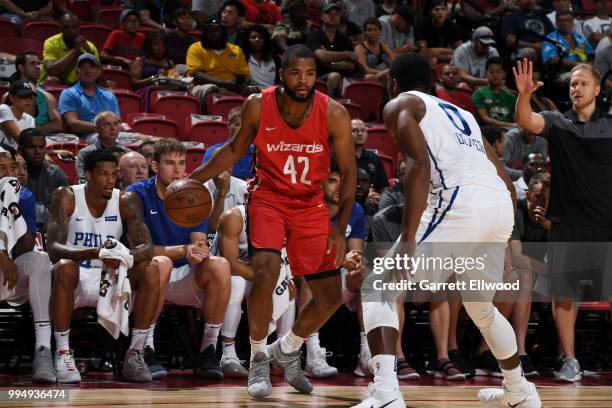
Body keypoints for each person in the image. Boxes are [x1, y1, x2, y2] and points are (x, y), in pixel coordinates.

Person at [355, 52, 541, 408]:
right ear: (433, 83)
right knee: (481, 306)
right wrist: (505, 236)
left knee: (378, 287)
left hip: (460, 201)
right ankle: (519, 390)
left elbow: (418, 164)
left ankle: (385, 394)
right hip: (499, 205)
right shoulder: (464, 114)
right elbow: (500, 172)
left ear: (393, 83)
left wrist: (408, 240)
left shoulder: (401, 103)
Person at [190, 45, 356, 398]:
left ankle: (290, 347)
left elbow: (350, 171)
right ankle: (258, 359)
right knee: (264, 272)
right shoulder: (258, 105)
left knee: (329, 295)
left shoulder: (334, 114)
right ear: (282, 73)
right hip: (267, 198)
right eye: (296, 73)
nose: (303, 80)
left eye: (310, 74)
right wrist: (196, 177)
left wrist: (339, 229)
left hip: (310, 204)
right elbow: (234, 150)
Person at [514, 59, 612, 383]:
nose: (576, 88)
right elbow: (525, 120)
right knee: (565, 295)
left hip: (605, 223)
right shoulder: (558, 122)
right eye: (572, 83)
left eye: (583, 83)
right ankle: (569, 359)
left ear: (597, 89)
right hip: (567, 224)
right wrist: (524, 95)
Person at [47, 149, 168, 383]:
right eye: (103, 174)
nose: (110, 180)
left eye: (114, 174)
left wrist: (124, 257)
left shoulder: (125, 200)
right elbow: (53, 248)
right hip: (78, 276)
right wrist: (96, 253)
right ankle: (62, 352)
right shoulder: (67, 196)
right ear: (88, 175)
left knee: (151, 268)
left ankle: (135, 352)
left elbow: (146, 246)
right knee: (63, 266)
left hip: (113, 276)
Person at [126, 139, 231, 379]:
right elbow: (142, 250)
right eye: (170, 163)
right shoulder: (136, 194)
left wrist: (199, 251)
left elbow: (198, 241)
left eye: (182, 163)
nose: (177, 170)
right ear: (154, 166)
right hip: (145, 277)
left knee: (219, 265)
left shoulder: (193, 194)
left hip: (182, 276)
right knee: (161, 264)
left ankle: (208, 349)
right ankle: (145, 348)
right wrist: (185, 249)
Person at [297, 162, 367, 379]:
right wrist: (337, 261)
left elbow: (356, 254)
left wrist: (357, 263)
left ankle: (366, 355)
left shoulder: (354, 209)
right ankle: (312, 354)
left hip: (337, 274)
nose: (338, 187)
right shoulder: (307, 208)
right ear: (320, 184)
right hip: (302, 275)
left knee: (369, 277)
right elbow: (303, 259)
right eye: (332, 181)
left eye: (343, 182)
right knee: (313, 277)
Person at [211, 204, 295, 378]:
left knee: (288, 290)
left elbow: (283, 252)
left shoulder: (278, 217)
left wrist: (287, 277)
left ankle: (283, 354)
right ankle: (228, 354)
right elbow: (230, 263)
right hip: (222, 277)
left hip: (256, 273)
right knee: (236, 283)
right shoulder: (234, 218)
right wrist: (267, 278)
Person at [0, 145, 54, 383]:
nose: (9, 174)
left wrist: (14, 210)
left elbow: (25, 246)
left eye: (12, 167)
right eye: (1, 169)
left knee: (40, 260)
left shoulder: (23, 196)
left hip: (9, 274)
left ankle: (43, 350)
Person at [509, 171, 551, 378]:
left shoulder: (553, 215)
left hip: (543, 274)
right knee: (524, 276)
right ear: (527, 196)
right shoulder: (515, 210)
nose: (542, 203)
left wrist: (547, 225)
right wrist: (542, 268)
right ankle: (521, 351)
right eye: (538, 198)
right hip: (514, 271)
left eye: (547, 199)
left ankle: (563, 356)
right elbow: (516, 257)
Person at [187, 18, 256, 103]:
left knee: (254, 91)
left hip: (231, 85)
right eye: (209, 31)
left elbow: (243, 74)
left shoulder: (235, 50)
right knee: (211, 88)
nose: (213, 34)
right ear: (205, 34)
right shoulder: (196, 48)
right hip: (204, 85)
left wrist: (243, 83)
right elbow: (197, 75)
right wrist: (222, 83)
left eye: (216, 30)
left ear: (223, 33)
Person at [58, 53, 121, 142]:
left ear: (98, 72)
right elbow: (73, 124)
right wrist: (102, 128)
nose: (87, 70)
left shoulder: (109, 95)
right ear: (77, 72)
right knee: (108, 140)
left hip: (112, 134)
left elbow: (117, 122)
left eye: (91, 66)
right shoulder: (68, 93)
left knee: (144, 139)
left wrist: (108, 128)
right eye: (83, 67)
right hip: (88, 137)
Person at [306, 3, 361, 98]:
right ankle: (329, 107)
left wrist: (329, 62)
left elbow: (351, 65)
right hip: (319, 78)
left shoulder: (344, 39)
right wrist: (346, 54)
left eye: (336, 14)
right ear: (322, 17)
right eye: (329, 13)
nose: (333, 16)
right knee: (334, 76)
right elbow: (322, 56)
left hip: (344, 79)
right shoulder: (315, 36)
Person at [19, 128, 69, 227]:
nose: (37, 151)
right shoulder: (12, 175)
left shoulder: (56, 173)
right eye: (32, 147)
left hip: (51, 231)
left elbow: (67, 209)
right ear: (20, 151)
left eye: (41, 147)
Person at [39, 13, 100, 86]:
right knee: (53, 80)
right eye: (66, 27)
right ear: (60, 28)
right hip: (53, 85)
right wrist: (74, 50)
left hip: (78, 87)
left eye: (74, 27)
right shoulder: (51, 42)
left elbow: (100, 77)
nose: (71, 30)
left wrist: (90, 53)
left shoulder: (90, 46)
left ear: (79, 28)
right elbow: (52, 71)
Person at [11, 52, 63, 135]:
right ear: (21, 68)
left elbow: (58, 125)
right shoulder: (10, 96)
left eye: (38, 64)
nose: (38, 67)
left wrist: (34, 130)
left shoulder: (47, 96)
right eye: (32, 64)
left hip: (44, 138)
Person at [542, 10, 594, 83]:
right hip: (561, 74)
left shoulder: (580, 37)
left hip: (584, 71)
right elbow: (553, 60)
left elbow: (591, 55)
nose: (565, 23)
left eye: (568, 20)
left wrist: (588, 67)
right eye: (561, 21)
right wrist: (577, 65)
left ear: (573, 22)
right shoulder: (550, 38)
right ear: (556, 23)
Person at [76, 111, 131, 180]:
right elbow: (83, 179)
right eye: (107, 124)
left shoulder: (127, 153)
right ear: (96, 129)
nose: (113, 128)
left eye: (116, 124)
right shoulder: (85, 153)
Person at [472, 57, 518, 128]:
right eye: (491, 72)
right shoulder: (479, 94)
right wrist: (508, 125)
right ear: (486, 73)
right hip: (490, 130)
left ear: (504, 74)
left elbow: (515, 119)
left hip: (510, 130)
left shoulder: (511, 97)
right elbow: (484, 119)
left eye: (498, 72)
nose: (495, 75)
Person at [351, 118, 389, 193]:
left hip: (372, 203)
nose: (360, 133)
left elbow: (384, 187)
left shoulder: (374, 158)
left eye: (363, 130)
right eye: (355, 130)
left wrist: (380, 197)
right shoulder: (339, 158)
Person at [355, 17, 396, 84]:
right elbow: (366, 69)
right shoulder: (360, 47)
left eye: (375, 30)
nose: (372, 33)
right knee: (369, 77)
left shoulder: (384, 47)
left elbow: (395, 63)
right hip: (371, 77)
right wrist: (384, 73)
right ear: (365, 32)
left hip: (386, 76)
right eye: (369, 30)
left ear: (379, 31)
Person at [0, 80, 36, 148]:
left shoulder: (30, 119)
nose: (28, 99)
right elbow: (21, 139)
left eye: (30, 96)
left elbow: (31, 144)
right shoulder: (3, 109)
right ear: (12, 98)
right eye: (23, 96)